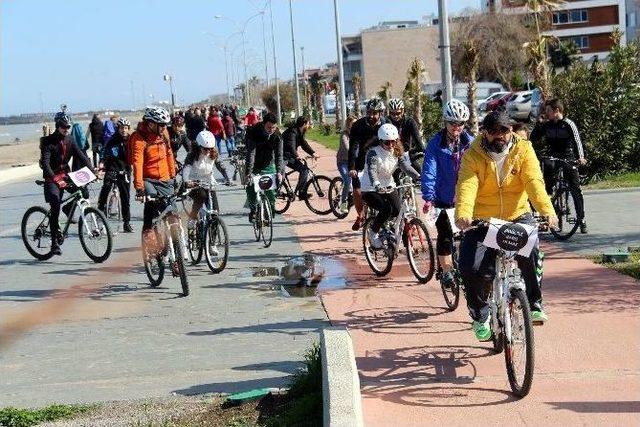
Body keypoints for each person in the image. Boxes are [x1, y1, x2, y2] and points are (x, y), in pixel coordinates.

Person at [455, 111, 559, 341]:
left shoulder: (524, 149)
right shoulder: (473, 154)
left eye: (504, 130)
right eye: (493, 132)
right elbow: (467, 185)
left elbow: (533, 181)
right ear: (485, 133)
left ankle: (534, 304)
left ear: (510, 130)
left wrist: (547, 211)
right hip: (484, 219)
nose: (498, 136)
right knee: (470, 268)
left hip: (517, 215)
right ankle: (480, 315)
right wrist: (463, 214)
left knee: (529, 253)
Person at [421, 99, 474, 289]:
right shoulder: (436, 143)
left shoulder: (471, 142)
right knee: (444, 235)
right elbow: (429, 171)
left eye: (460, 123)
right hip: (442, 198)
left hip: (465, 198)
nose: (456, 127)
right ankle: (446, 271)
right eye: (453, 123)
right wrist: (428, 196)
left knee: (471, 234)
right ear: (445, 122)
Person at [40, 114, 95, 255]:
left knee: (84, 191)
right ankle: (54, 244)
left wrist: (92, 170)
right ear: (58, 126)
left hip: (65, 174)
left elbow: (82, 156)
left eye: (68, 127)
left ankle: (68, 208)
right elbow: (45, 164)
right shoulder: (48, 142)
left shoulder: (71, 140)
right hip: (51, 177)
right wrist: (54, 178)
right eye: (63, 127)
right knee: (55, 205)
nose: (66, 129)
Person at [530, 98, 588, 233]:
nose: (546, 113)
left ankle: (581, 218)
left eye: (548, 110)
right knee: (547, 172)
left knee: (575, 187)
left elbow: (577, 141)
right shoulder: (547, 125)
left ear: (557, 110)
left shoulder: (568, 124)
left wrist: (581, 158)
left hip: (568, 157)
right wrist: (539, 124)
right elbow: (533, 139)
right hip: (552, 155)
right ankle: (550, 201)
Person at [361, 123, 420, 248]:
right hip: (370, 188)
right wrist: (376, 184)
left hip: (388, 185)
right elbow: (372, 171)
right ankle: (373, 232)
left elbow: (405, 167)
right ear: (381, 141)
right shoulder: (373, 153)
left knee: (398, 211)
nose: (391, 145)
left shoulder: (396, 152)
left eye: (393, 142)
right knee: (386, 208)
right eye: (387, 143)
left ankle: (387, 230)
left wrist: (418, 176)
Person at [130, 107, 177, 250]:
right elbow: (137, 163)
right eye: (161, 125)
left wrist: (173, 176)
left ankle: (177, 258)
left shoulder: (164, 133)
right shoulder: (139, 138)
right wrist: (139, 188)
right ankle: (148, 235)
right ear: (151, 124)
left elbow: (169, 154)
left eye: (165, 125)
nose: (164, 128)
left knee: (173, 216)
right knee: (151, 204)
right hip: (148, 179)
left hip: (165, 179)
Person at [348, 97, 387, 231]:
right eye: (369, 112)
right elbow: (353, 148)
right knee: (357, 187)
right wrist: (352, 168)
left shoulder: (386, 124)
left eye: (374, 113)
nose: (371, 115)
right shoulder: (358, 125)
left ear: (380, 113)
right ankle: (360, 215)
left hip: (381, 160)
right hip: (362, 160)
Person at [183, 130, 222, 255]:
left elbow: (220, 165)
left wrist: (227, 178)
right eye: (205, 149)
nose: (208, 151)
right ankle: (193, 218)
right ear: (199, 146)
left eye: (210, 148)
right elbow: (186, 169)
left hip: (208, 183)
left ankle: (212, 244)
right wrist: (186, 181)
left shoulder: (213, 154)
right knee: (201, 196)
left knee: (215, 213)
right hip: (194, 184)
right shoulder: (192, 155)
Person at [245, 113, 284, 222]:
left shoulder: (277, 136)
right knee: (251, 188)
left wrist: (279, 172)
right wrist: (248, 173)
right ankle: (253, 210)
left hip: (269, 164)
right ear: (263, 124)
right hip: (254, 165)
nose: (271, 129)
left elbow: (279, 155)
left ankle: (269, 214)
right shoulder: (254, 132)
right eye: (269, 127)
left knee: (271, 193)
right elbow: (251, 153)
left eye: (274, 127)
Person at [98, 118, 133, 233]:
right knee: (106, 188)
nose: (124, 130)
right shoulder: (112, 140)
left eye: (126, 128)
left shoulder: (131, 140)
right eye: (122, 128)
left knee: (125, 198)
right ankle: (100, 212)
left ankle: (126, 223)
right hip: (112, 167)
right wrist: (102, 164)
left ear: (128, 129)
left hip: (125, 170)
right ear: (118, 128)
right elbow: (105, 153)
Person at [282, 116, 317, 200]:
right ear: (304, 124)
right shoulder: (292, 132)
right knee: (303, 170)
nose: (309, 126)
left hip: (289, 155)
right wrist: (297, 156)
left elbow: (303, 143)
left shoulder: (300, 131)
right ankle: (299, 192)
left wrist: (313, 153)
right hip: (283, 156)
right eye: (308, 124)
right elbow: (291, 146)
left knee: (304, 170)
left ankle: (301, 192)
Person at [387, 98, 425, 172]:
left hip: (407, 153)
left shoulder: (410, 122)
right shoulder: (386, 121)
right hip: (391, 153)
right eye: (392, 113)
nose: (395, 116)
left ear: (403, 111)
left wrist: (411, 152)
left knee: (419, 173)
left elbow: (419, 143)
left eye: (398, 113)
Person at [337, 116, 356, 214]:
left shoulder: (358, 134)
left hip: (353, 162)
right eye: (352, 124)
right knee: (348, 180)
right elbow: (347, 147)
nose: (354, 126)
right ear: (348, 125)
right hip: (343, 162)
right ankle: (343, 202)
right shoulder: (344, 135)